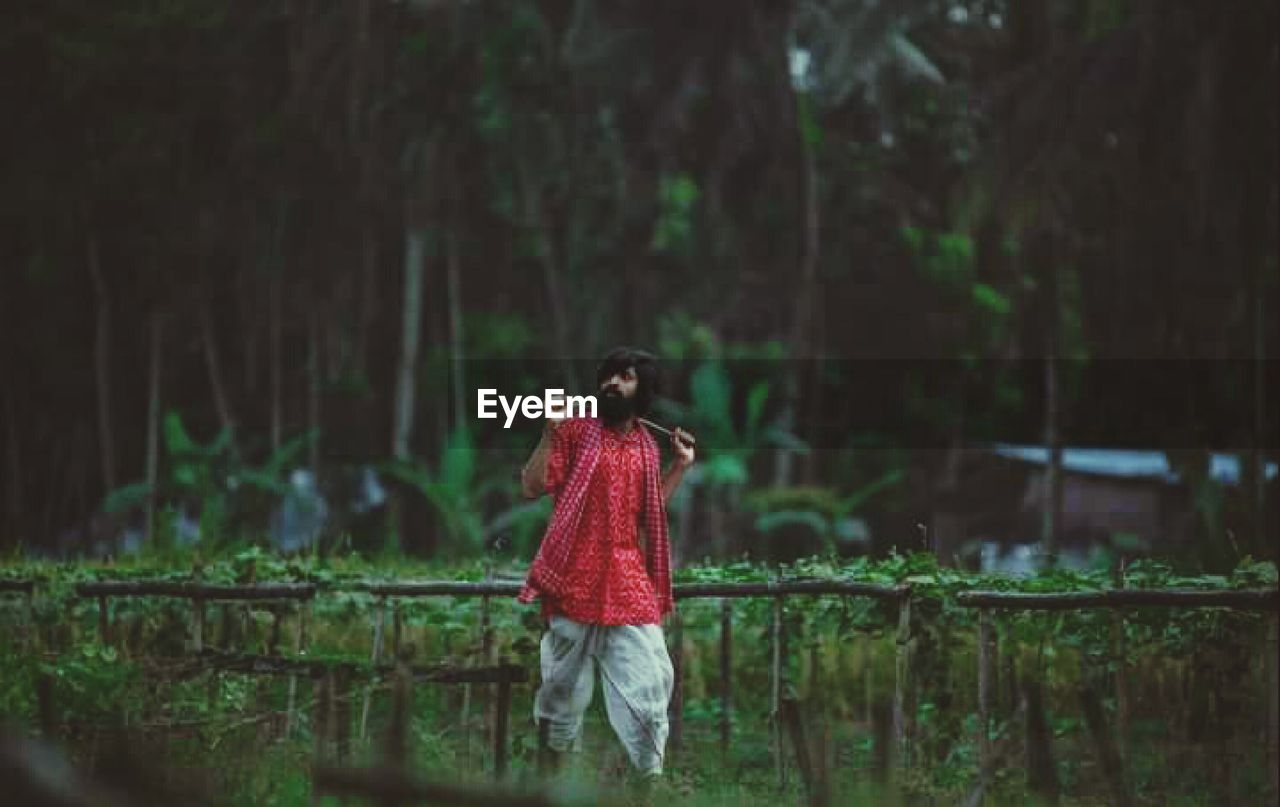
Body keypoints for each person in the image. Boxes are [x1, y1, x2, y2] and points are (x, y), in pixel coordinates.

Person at [518, 347, 695, 781]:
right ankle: (552, 784)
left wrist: (679, 467)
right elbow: (531, 486)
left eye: (627, 377)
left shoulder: (647, 449)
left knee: (653, 682)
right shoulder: (574, 432)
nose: (612, 384)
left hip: (628, 583)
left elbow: (647, 513)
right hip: (573, 581)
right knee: (561, 694)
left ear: (643, 392)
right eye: (609, 376)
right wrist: (547, 433)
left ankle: (646, 784)